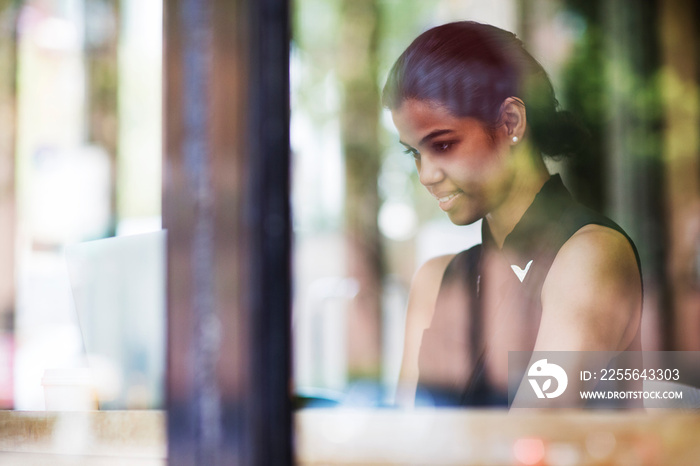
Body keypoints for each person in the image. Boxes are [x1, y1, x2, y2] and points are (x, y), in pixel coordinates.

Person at [383, 21, 643, 407]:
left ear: (510, 123)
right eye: (415, 153)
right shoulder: (437, 281)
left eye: (444, 144)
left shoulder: (591, 256)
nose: (426, 175)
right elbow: (402, 443)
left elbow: (534, 438)